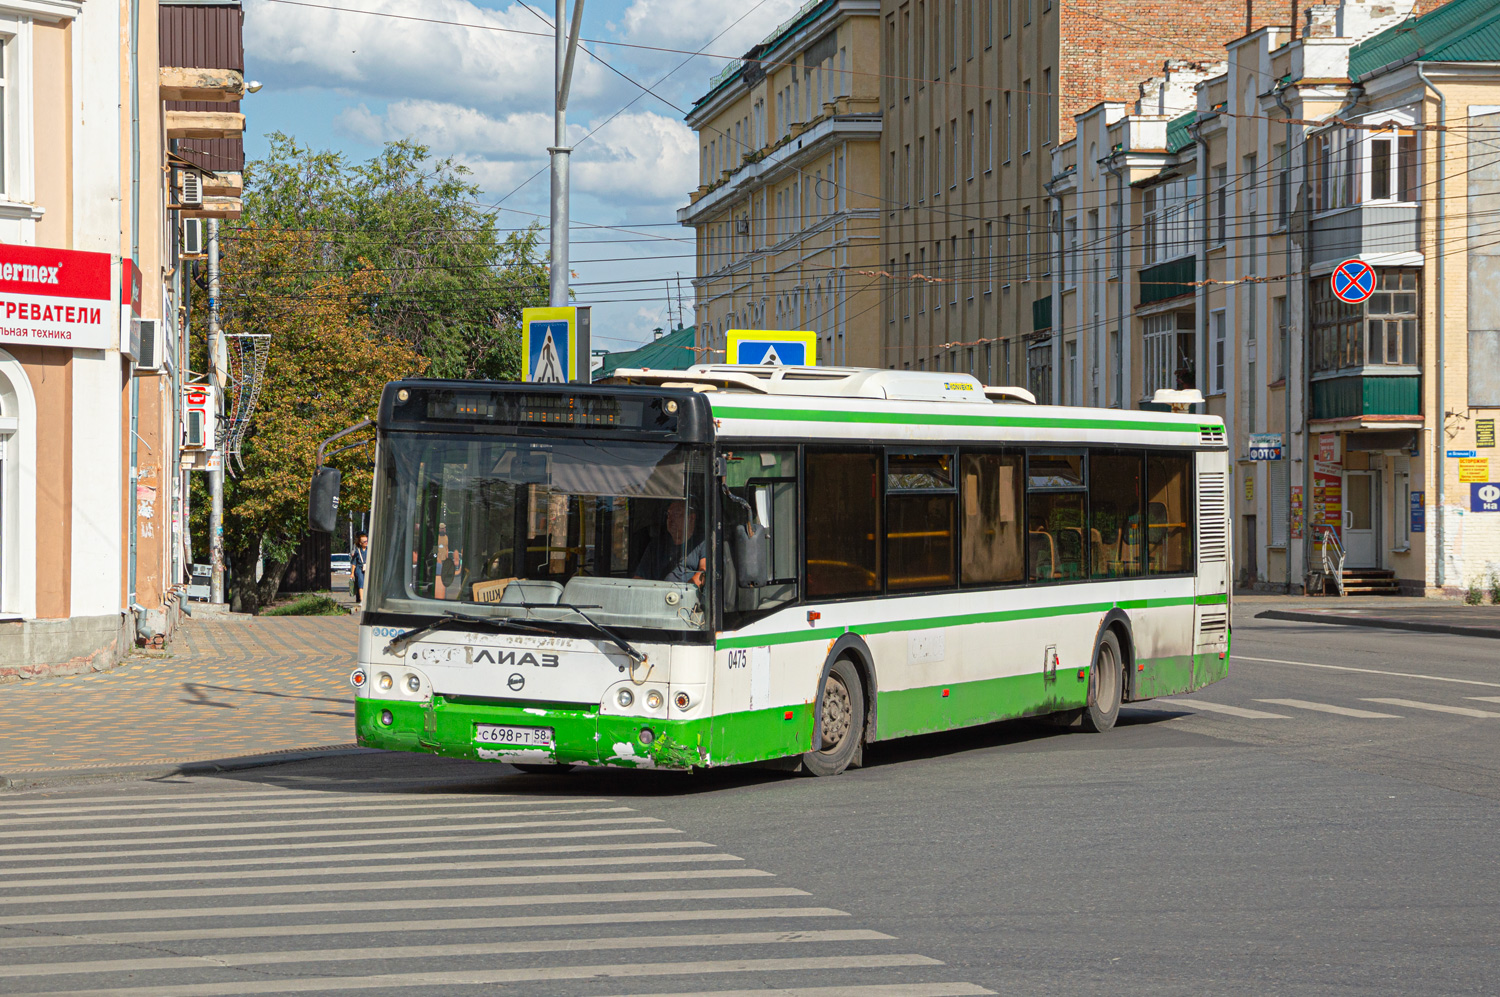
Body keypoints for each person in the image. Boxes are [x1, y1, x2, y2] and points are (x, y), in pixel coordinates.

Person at [633, 500, 706, 585]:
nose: (671, 519)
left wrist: (687, 593)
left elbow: (703, 572)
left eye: (676, 514)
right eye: (669, 514)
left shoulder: (701, 544)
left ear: (691, 518)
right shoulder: (656, 546)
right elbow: (639, 578)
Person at [350, 532, 369, 606]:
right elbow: (354, 563)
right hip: (359, 569)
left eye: (367, 541)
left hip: (367, 568)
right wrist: (352, 573)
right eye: (364, 541)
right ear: (360, 543)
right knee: (361, 584)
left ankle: (366, 599)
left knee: (367, 584)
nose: (366, 542)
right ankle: (362, 600)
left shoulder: (369, 550)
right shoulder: (357, 551)